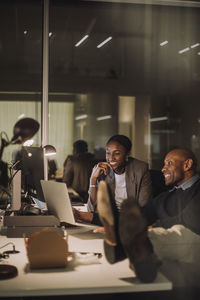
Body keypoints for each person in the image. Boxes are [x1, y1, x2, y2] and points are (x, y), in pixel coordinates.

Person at [96, 148, 200, 286]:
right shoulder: (167, 196)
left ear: (187, 165)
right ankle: (134, 250)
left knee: (181, 232)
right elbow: (142, 215)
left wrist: (147, 228)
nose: (163, 169)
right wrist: (121, 225)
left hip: (194, 242)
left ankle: (126, 246)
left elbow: (191, 220)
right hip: (171, 246)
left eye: (169, 163)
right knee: (141, 232)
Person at [72, 134, 153, 225]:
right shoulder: (101, 169)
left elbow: (143, 209)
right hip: (107, 219)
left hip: (130, 221)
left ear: (127, 154)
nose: (110, 158)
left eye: (117, 153)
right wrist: (93, 179)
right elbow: (92, 209)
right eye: (108, 153)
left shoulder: (140, 169)